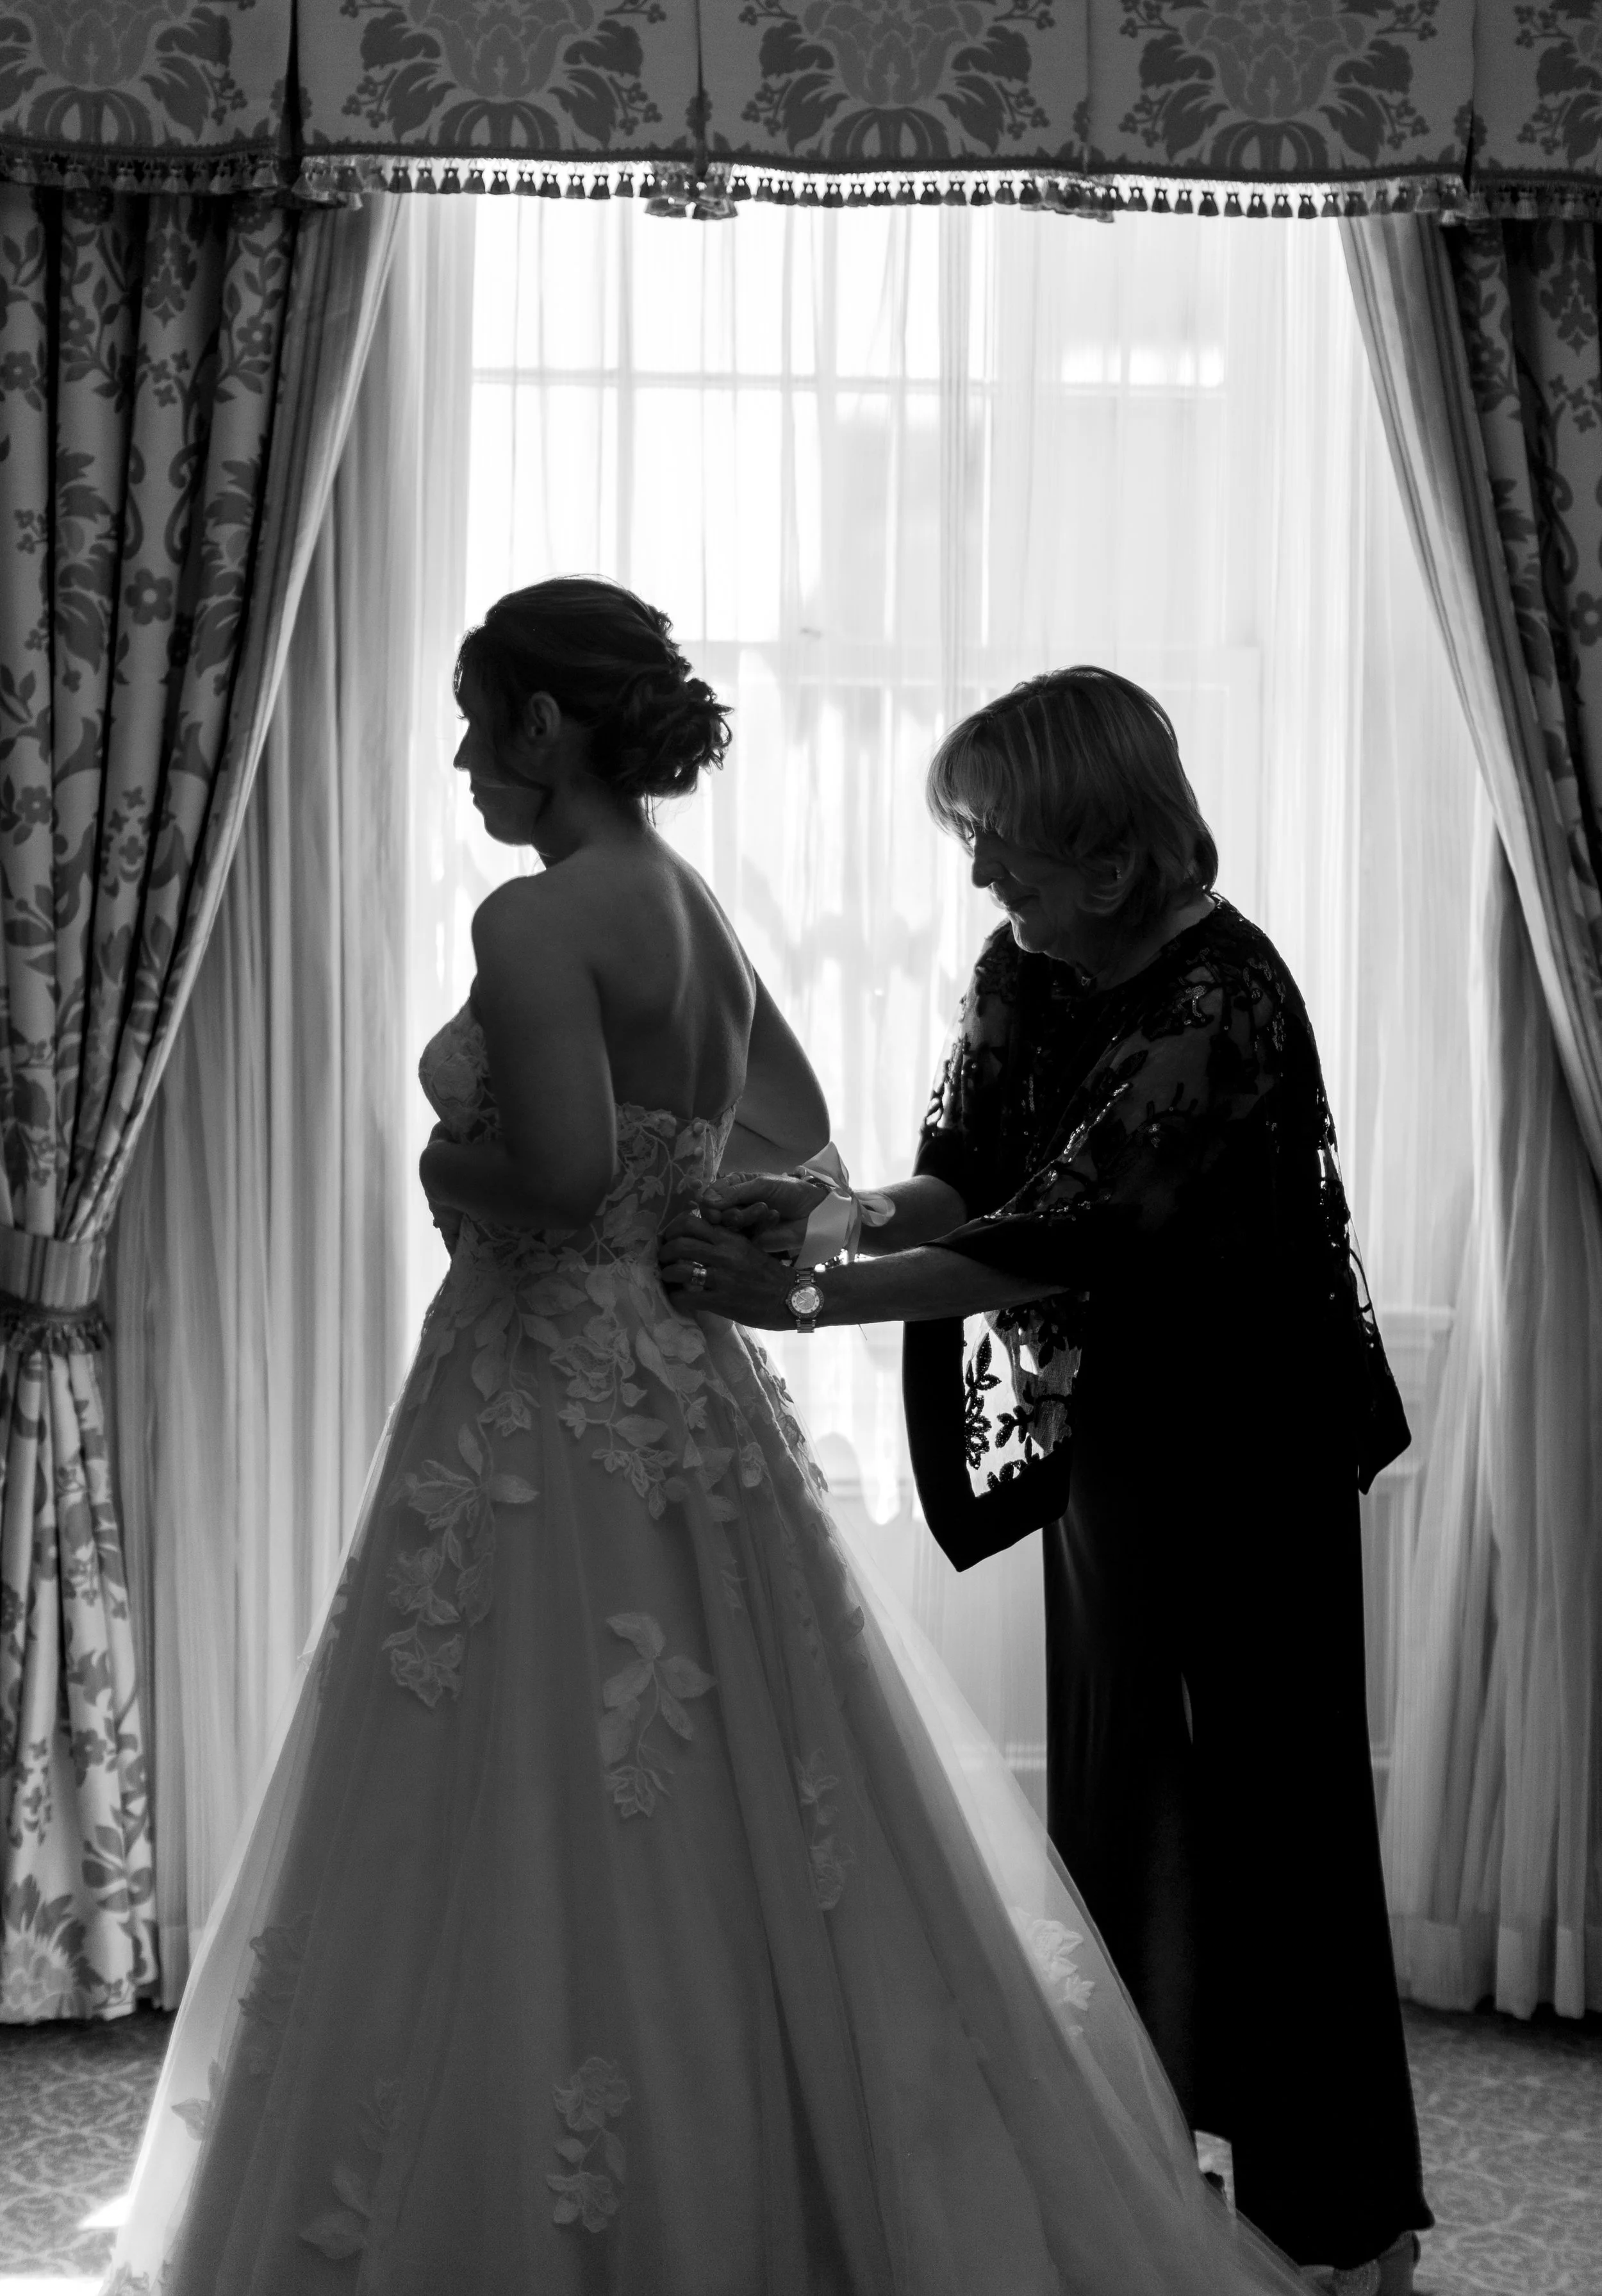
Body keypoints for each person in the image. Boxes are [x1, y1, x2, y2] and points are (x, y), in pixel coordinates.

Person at [110, 589, 1319, 2296]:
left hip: (541, 1394)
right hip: (683, 1386)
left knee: (513, 1776)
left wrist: (438, 1168)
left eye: (479, 719)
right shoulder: (686, 905)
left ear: (548, 729)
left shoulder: (536, 923)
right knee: (751, 1794)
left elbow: (545, 1171)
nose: (463, 754)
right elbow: (808, 1129)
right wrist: (725, 1206)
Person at [663, 668, 1433, 2296]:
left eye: (1001, 846)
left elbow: (1058, 1231)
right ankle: (1143, 2173)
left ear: (1108, 854)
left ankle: (1341, 2218)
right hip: (1118, 1447)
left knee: (1276, 1813)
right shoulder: (1029, 963)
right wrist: (832, 1220)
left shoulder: (1221, 1003)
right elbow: (971, 1171)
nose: (979, 880)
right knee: (1117, 1800)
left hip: (1254, 1446)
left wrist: (801, 1306)